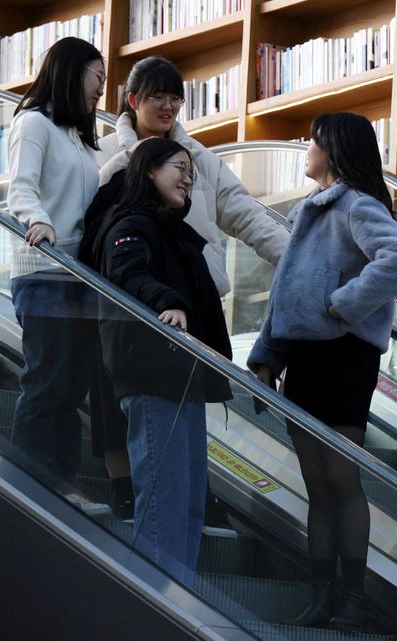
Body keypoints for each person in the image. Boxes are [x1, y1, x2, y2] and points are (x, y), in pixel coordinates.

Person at [90, 56, 288, 531]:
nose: (168, 106)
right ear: (132, 100)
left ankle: (189, 497)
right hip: (127, 296)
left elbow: (248, 216)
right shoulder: (102, 154)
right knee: (118, 398)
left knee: (186, 407)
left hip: (190, 302)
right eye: (157, 96)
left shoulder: (199, 159)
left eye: (176, 98)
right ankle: (127, 492)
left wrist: (299, 263)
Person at [247, 112, 397, 632]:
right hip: (304, 356)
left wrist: (342, 305)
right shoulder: (311, 210)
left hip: (343, 355)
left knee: (341, 478)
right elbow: (283, 295)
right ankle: (322, 595)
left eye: (313, 141)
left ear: (335, 149)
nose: (306, 148)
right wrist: (266, 355)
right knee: (317, 485)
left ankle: (352, 598)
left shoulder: (355, 204)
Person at [86, 137, 233, 584]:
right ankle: (157, 604)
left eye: (191, 171)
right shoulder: (130, 223)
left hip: (182, 373)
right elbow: (126, 273)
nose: (188, 177)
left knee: (186, 502)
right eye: (178, 167)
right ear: (148, 169)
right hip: (152, 372)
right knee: (164, 497)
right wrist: (168, 300)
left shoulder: (172, 231)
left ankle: (179, 598)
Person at [6, 37, 107, 513]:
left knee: (72, 387)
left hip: (79, 279)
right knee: (47, 381)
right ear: (71, 72)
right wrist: (36, 219)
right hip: (44, 271)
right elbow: (21, 187)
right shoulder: (33, 124)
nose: (101, 92)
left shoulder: (81, 140)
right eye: (98, 79)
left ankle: (62, 483)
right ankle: (27, 483)